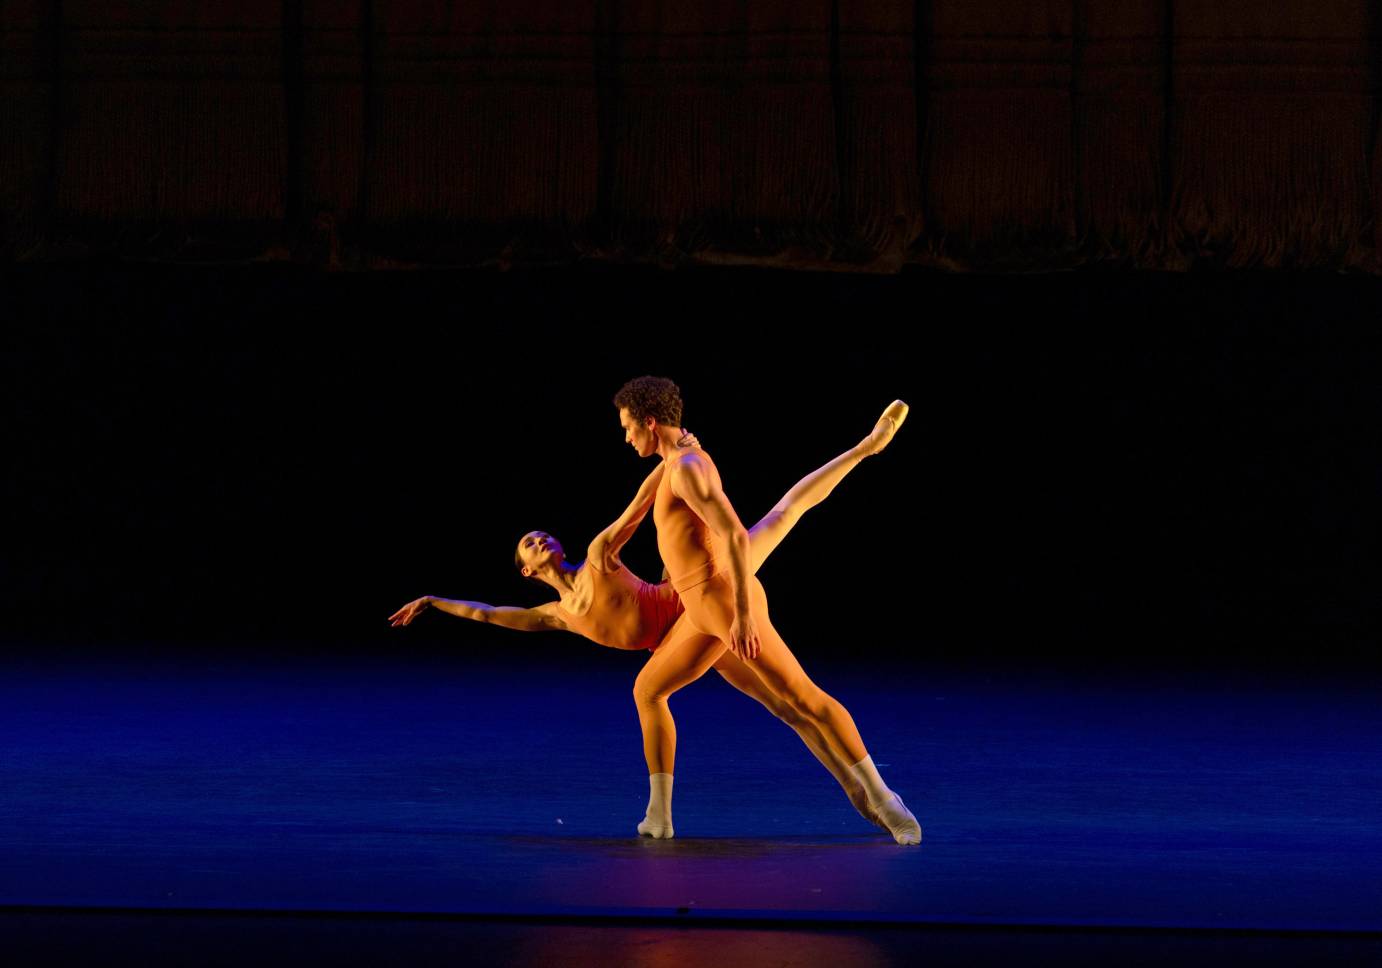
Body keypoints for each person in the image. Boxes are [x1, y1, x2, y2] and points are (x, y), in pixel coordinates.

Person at [390, 402, 910, 835]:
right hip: (686, 631)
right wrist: (435, 601)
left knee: (783, 528)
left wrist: (676, 448)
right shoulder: (556, 615)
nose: (540, 539)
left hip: (695, 601)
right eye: (529, 543)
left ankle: (865, 448)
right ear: (527, 570)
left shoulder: (599, 556)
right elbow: (490, 614)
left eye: (542, 533)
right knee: (761, 702)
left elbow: (639, 506)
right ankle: (675, 812)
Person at [614, 376, 921, 844]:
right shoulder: (677, 460)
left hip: (719, 601)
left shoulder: (687, 468)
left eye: (628, 427)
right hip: (700, 608)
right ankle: (659, 817)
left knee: (803, 698)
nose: (626, 436)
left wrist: (739, 614)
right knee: (652, 689)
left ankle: (883, 797)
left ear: (650, 423)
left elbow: (735, 535)